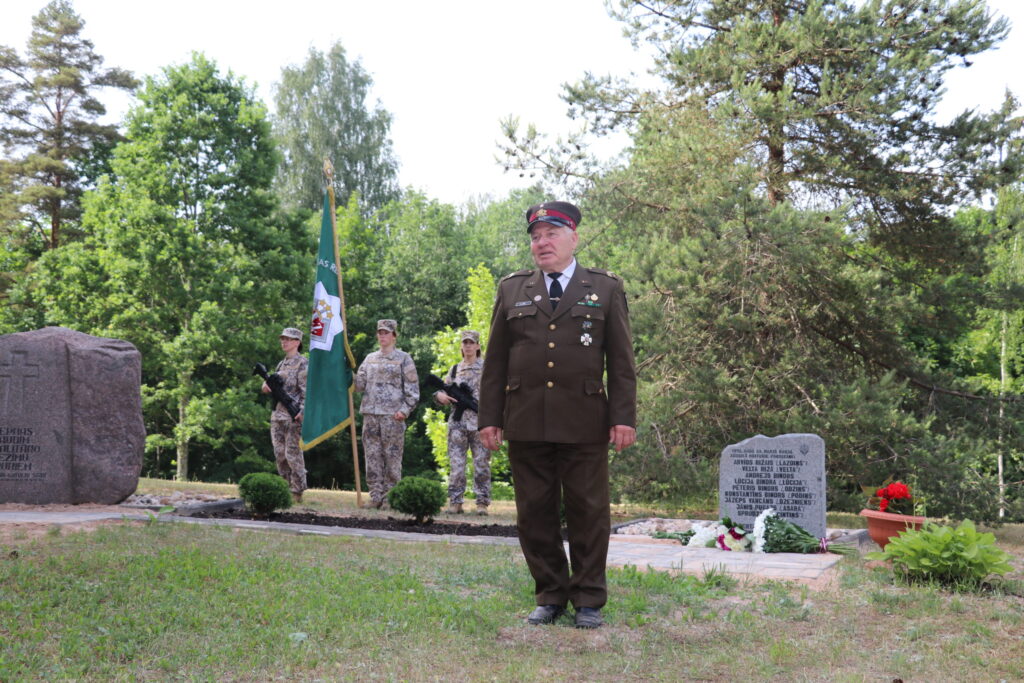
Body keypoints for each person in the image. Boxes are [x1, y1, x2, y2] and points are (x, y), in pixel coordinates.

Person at [478, 201, 637, 630]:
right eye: (536, 237)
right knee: (534, 512)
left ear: (573, 238)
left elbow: (621, 361)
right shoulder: (513, 289)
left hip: (585, 419)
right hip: (526, 419)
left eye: (551, 234)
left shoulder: (603, 288)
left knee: (589, 511)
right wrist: (489, 417)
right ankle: (549, 594)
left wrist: (623, 417)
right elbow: (495, 362)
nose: (542, 243)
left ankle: (588, 599)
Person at [354, 319, 420, 509]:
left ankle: (390, 497)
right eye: (380, 333)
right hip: (370, 415)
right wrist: (346, 373)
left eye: (386, 333)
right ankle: (375, 496)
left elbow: (413, 390)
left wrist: (404, 411)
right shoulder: (370, 358)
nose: (382, 336)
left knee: (392, 457)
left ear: (394, 336)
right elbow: (359, 385)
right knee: (372, 456)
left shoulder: (404, 358)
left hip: (393, 416)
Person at [433, 330, 490, 516]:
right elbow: (443, 390)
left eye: (471, 342)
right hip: (457, 425)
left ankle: (482, 503)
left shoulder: (487, 368)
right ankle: (455, 502)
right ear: (461, 346)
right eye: (465, 343)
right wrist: (439, 396)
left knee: (481, 464)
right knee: (457, 465)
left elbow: (495, 393)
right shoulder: (455, 369)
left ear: (478, 346)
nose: (468, 346)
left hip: (480, 424)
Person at [261, 327, 308, 503]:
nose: (284, 342)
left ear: (297, 342)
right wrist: (267, 386)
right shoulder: (282, 364)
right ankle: (285, 487)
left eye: (288, 339)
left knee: (292, 454)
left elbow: (306, 391)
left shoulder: (303, 363)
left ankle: (297, 490)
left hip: (293, 416)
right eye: (282, 339)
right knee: (279, 453)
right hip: (278, 415)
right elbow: (270, 388)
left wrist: (302, 411)